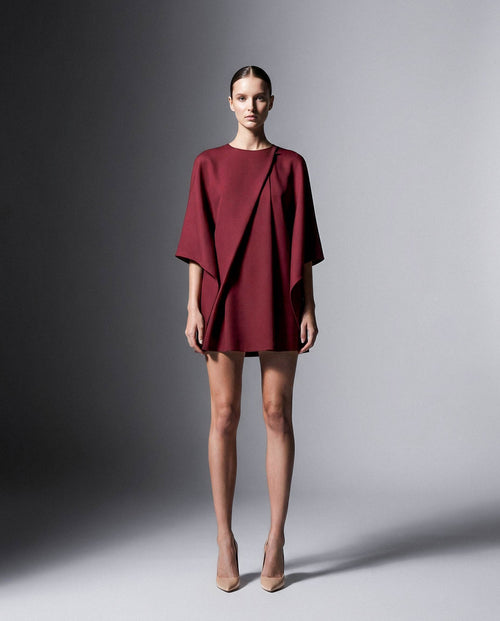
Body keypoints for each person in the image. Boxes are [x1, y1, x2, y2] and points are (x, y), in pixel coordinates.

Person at [175, 65, 324, 592]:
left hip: (277, 296)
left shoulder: (291, 165)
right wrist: (192, 307)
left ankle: (276, 539)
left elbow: (302, 244)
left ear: (272, 102)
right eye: (242, 97)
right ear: (229, 102)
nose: (251, 107)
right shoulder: (208, 164)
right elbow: (199, 241)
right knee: (224, 415)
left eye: (259, 98)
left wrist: (309, 306)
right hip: (223, 298)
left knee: (277, 413)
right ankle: (225, 539)